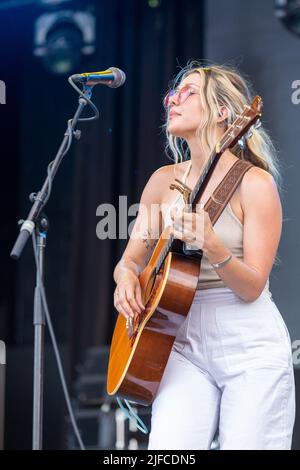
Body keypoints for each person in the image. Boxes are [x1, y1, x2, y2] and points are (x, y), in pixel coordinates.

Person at [112, 62, 295, 450]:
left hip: (248, 340)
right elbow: (130, 261)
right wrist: (126, 278)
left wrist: (213, 245)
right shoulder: (162, 181)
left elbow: (252, 288)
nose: (172, 100)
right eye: (172, 94)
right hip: (177, 336)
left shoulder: (254, 183)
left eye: (188, 92)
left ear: (224, 112)